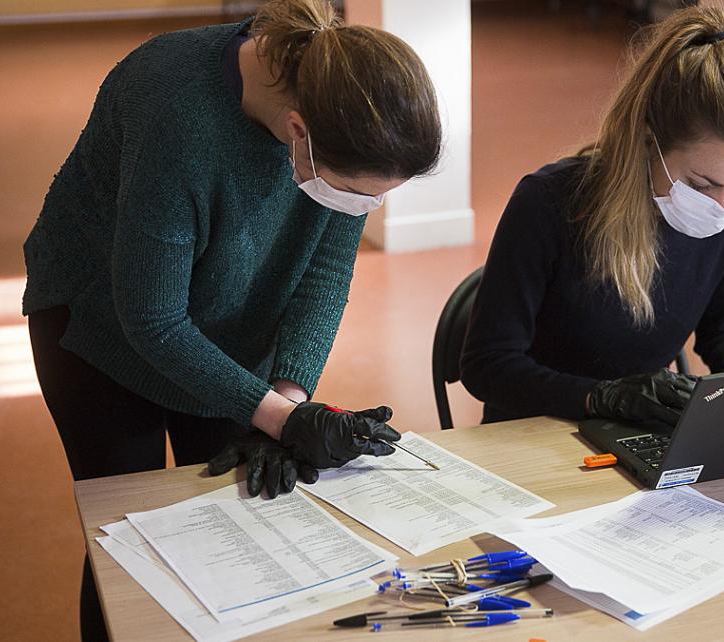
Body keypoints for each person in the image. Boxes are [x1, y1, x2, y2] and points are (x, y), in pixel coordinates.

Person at [23, 0, 441, 638]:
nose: (367, 207)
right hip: (98, 325)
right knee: (125, 533)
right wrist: (277, 417)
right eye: (358, 191)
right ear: (298, 131)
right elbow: (154, 320)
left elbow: (323, 276)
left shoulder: (345, 119)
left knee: (233, 512)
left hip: (224, 312)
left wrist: (288, 398)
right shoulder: (176, 114)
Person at [460, 6, 724, 429]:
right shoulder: (549, 203)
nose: (723, 204)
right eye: (702, 184)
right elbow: (487, 364)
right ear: (649, 141)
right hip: (536, 430)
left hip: (636, 431)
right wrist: (601, 398)